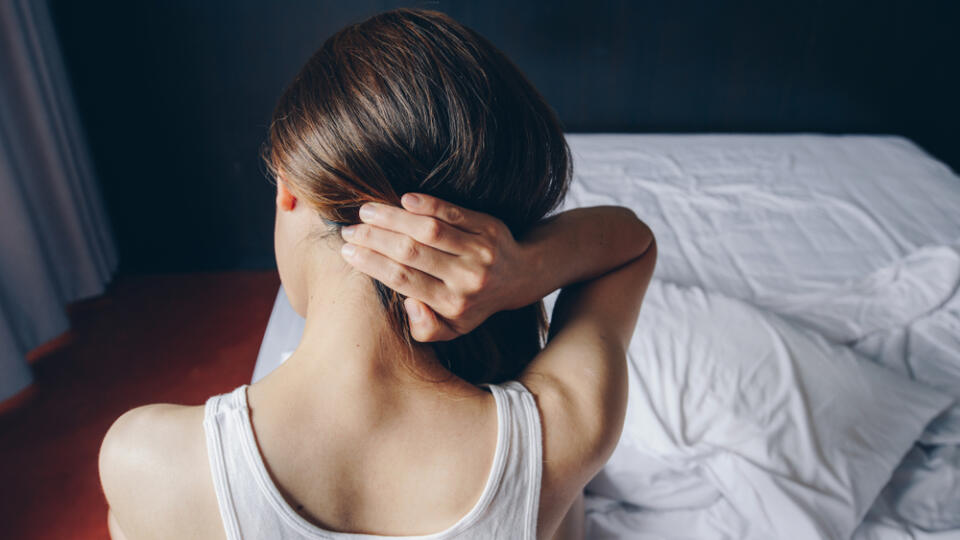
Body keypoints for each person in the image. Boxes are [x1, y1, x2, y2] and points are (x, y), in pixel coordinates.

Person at [98, 8, 656, 540]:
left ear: (289, 187)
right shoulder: (559, 436)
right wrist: (525, 269)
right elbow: (632, 242)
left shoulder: (147, 460)